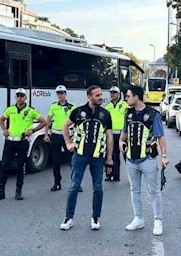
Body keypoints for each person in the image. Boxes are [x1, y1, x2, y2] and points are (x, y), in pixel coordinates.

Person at [60, 86, 114, 231]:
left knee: (98, 188)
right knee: (74, 186)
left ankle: (95, 218)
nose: (100, 97)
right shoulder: (78, 112)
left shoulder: (105, 114)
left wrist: (109, 158)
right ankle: (68, 217)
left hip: (98, 157)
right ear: (89, 97)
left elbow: (109, 136)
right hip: (80, 155)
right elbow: (65, 126)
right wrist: (68, 143)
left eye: (101, 95)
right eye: (97, 95)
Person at [119, 85, 169, 236]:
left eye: (128, 96)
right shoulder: (128, 113)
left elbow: (160, 136)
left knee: (154, 191)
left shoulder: (153, 114)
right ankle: (138, 219)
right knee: (135, 190)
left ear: (136, 97)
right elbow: (124, 132)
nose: (126, 99)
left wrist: (164, 156)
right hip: (131, 160)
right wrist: (121, 141)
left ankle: (158, 221)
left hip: (148, 159)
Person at [0, 89, 48, 202]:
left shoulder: (30, 111)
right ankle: (0, 192)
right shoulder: (10, 109)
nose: (19, 98)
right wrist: (4, 130)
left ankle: (18, 191)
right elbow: (1, 119)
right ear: (15, 97)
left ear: (25, 98)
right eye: (18, 96)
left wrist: (32, 130)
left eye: (22, 96)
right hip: (10, 141)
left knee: (20, 167)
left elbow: (44, 122)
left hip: (22, 141)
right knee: (4, 166)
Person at [44, 85, 75, 192]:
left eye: (62, 93)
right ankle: (57, 183)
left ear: (65, 94)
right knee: (56, 160)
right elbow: (48, 121)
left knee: (71, 160)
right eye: (58, 93)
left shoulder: (72, 106)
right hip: (56, 135)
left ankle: (76, 183)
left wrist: (75, 137)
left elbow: (76, 122)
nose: (60, 95)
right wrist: (46, 134)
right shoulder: (53, 106)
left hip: (67, 135)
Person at [106, 85, 129, 182]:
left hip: (122, 134)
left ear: (119, 94)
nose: (112, 94)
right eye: (111, 92)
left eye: (114, 93)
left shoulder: (125, 105)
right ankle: (115, 175)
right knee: (114, 155)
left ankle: (131, 176)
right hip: (112, 134)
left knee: (126, 156)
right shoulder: (108, 106)